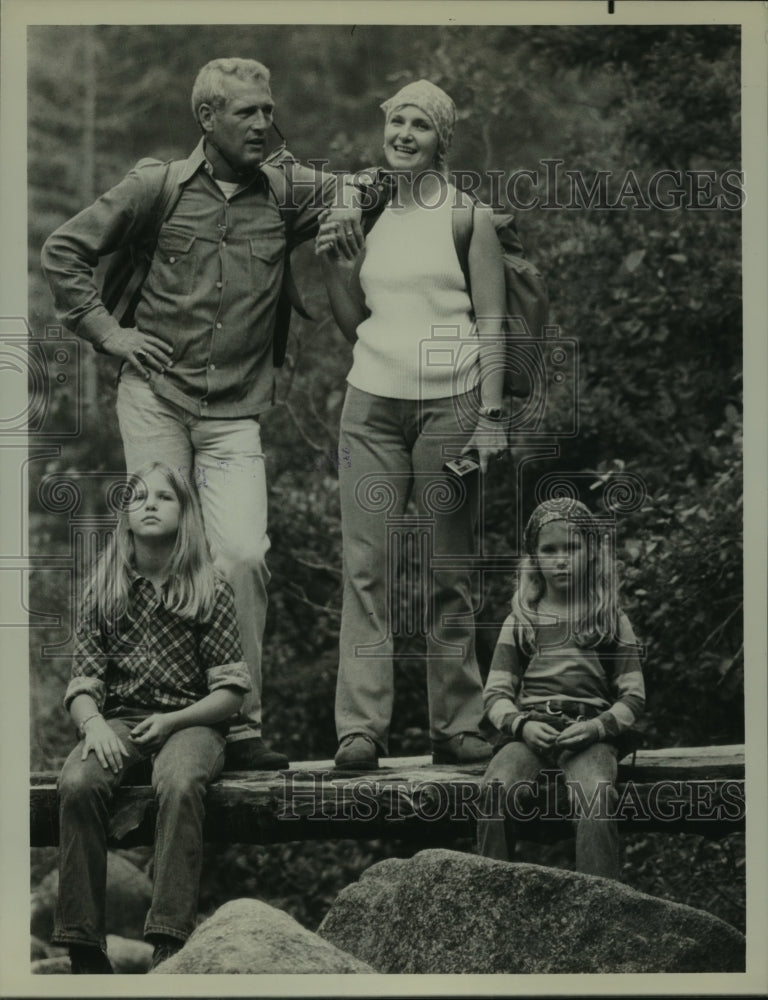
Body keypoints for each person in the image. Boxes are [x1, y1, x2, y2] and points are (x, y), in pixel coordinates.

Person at [41, 58, 365, 770]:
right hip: (154, 399)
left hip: (234, 413)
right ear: (207, 119)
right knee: (156, 552)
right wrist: (108, 332)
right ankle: (135, 718)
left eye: (267, 110)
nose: (263, 123)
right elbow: (62, 251)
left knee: (242, 557)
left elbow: (366, 185)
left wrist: (346, 201)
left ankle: (238, 723)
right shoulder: (154, 185)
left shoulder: (285, 190)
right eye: (246, 112)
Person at [315, 80, 509, 769]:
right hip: (370, 408)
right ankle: (361, 729)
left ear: (440, 141)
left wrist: (489, 416)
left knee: (446, 568)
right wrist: (337, 264)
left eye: (418, 125)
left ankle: (456, 723)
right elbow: (355, 327)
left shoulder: (467, 218)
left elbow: (491, 321)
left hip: (452, 408)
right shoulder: (364, 214)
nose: (402, 133)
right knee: (366, 569)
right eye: (395, 119)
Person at [50, 462, 252, 973]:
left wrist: (175, 721)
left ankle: (169, 936)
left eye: (165, 496)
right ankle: (83, 944)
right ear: (125, 517)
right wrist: (93, 724)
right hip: (120, 721)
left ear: (184, 514)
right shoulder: (104, 590)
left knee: (180, 781)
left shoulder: (210, 588)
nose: (150, 503)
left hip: (193, 721)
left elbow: (230, 692)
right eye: (138, 497)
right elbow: (82, 687)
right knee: (77, 781)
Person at [475, 497, 646, 880]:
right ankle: (489, 892)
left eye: (571, 548)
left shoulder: (609, 620)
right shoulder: (521, 620)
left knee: (596, 796)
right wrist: (521, 727)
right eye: (548, 549)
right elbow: (496, 695)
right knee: (495, 790)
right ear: (534, 558)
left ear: (590, 553)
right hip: (532, 732)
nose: (560, 559)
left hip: (588, 734)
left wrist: (597, 728)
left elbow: (633, 698)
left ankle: (601, 903)